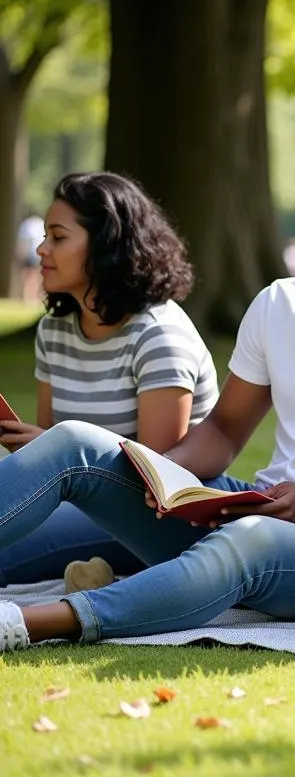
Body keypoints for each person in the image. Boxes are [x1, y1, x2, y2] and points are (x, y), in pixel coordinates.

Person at [0, 169, 295, 653]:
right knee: (74, 442)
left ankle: (29, 623)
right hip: (258, 502)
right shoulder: (278, 305)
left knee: (253, 539)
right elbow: (226, 428)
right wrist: (166, 477)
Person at [0, 172, 218, 589]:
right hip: (76, 504)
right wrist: (35, 445)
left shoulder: (158, 333)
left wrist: (55, 455)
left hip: (151, 517)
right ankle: (98, 571)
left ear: (106, 243)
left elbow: (156, 477)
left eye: (58, 237)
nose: (41, 249)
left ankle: (110, 571)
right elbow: (53, 439)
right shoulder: (55, 330)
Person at [14, 211, 45, 303]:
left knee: (28, 277)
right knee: (34, 276)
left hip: (30, 254)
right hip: (36, 255)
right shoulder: (40, 223)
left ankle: (29, 298)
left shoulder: (26, 224)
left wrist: (20, 254)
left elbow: (22, 241)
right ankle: (31, 298)